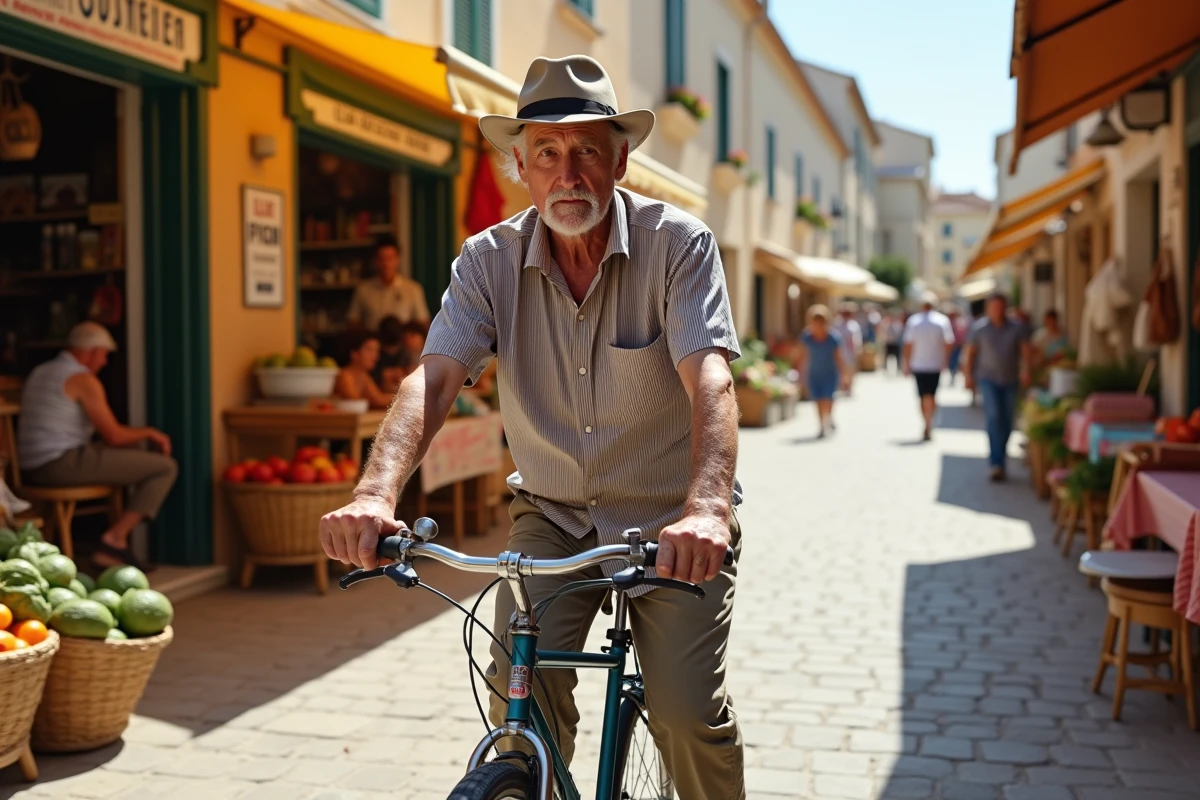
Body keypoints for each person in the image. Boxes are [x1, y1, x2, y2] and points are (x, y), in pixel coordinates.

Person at [319, 55, 744, 798]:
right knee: (517, 691)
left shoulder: (678, 245)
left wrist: (706, 509)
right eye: (546, 152)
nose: (567, 172)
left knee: (682, 711)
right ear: (520, 164)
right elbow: (437, 375)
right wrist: (373, 494)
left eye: (586, 150)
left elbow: (709, 374)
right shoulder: (487, 261)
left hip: (669, 523)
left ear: (619, 158)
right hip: (552, 513)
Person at [17, 322, 177, 570]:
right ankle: (115, 540)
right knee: (164, 467)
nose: (104, 362)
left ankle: (115, 542)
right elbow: (114, 435)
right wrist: (151, 433)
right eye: (103, 355)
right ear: (90, 351)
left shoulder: (41, 371)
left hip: (27, 468)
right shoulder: (82, 379)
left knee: (135, 455)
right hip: (59, 464)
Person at [962, 292, 1033, 482]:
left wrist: (1026, 370)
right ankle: (996, 462)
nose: (997, 310)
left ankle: (1001, 455)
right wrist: (968, 376)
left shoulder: (1017, 328)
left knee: (1008, 420)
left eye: (1000, 306)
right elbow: (970, 353)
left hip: (1010, 379)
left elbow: (1026, 352)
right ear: (988, 308)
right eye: (994, 307)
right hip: (987, 379)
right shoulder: (979, 329)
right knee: (993, 417)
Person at [346, 235, 432, 330]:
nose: (386, 264)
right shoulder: (363, 289)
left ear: (397, 259)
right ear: (375, 261)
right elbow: (352, 322)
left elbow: (423, 323)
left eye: (390, 258)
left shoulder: (413, 289)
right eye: (382, 259)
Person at [903, 293, 954, 441]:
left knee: (922, 396)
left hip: (918, 364)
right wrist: (945, 360)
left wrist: (906, 363)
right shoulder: (942, 321)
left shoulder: (914, 321)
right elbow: (948, 342)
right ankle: (929, 421)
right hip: (934, 364)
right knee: (931, 395)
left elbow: (908, 344)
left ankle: (926, 422)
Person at [797, 305, 844, 438]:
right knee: (818, 400)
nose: (817, 325)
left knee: (828, 399)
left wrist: (844, 375)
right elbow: (802, 355)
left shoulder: (833, 337)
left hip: (830, 374)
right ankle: (822, 426)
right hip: (814, 374)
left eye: (820, 321)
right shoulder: (807, 337)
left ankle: (828, 417)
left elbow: (839, 357)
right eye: (815, 321)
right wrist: (800, 373)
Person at [334, 330, 394, 409]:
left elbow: (378, 399)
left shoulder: (363, 376)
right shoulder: (344, 376)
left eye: (376, 351)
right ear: (354, 353)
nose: (375, 357)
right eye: (370, 350)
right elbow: (354, 402)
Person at [372, 316, 427, 394]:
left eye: (412, 335)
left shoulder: (431, 355)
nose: (408, 340)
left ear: (422, 337)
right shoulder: (402, 355)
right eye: (405, 337)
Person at [833, 302, 862, 395]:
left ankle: (849, 386)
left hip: (850, 352)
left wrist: (857, 350)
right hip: (840, 351)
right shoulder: (837, 324)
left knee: (850, 370)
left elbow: (857, 339)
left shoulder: (854, 325)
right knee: (841, 369)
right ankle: (843, 385)